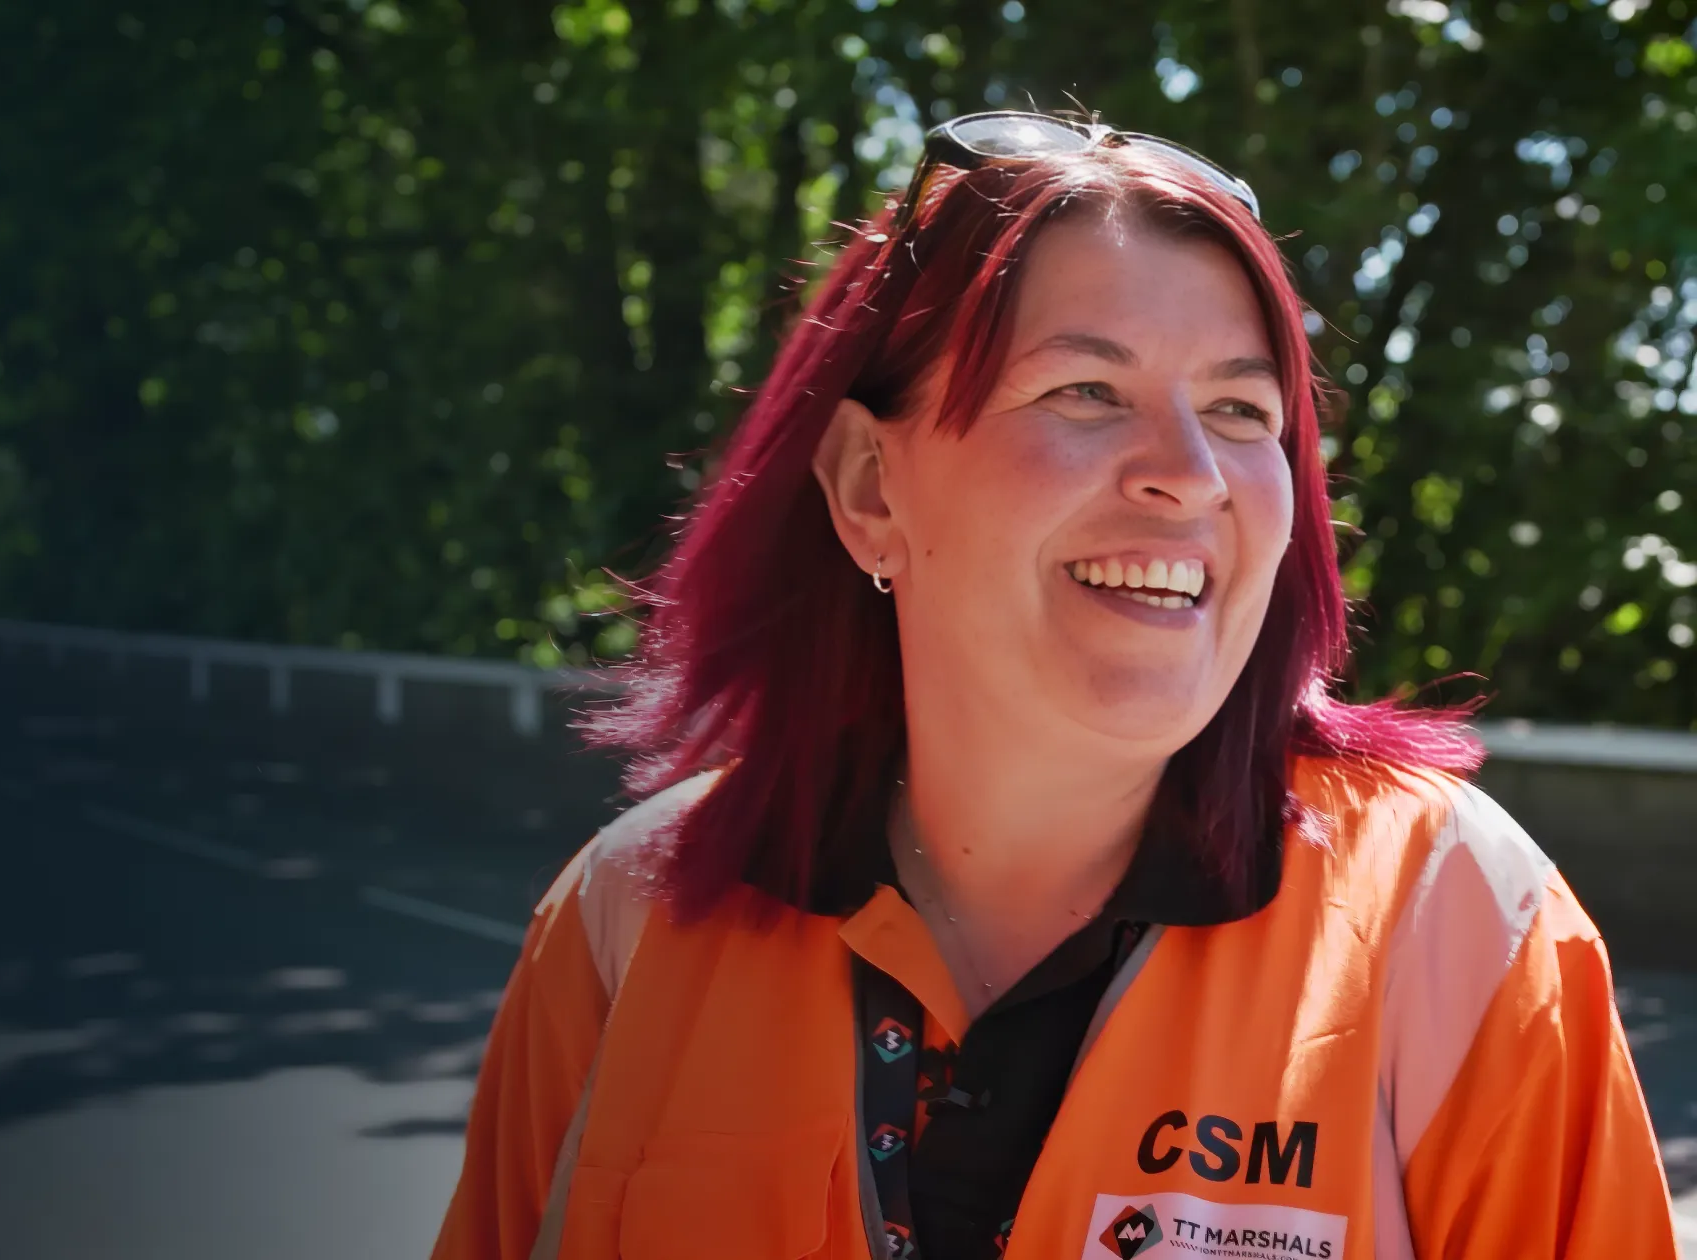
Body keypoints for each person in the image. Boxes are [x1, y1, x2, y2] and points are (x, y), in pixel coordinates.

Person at [429, 112, 1677, 1259]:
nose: (1189, 474)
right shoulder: (623, 923)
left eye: (1243, 411)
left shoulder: (1459, 923)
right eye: (1087, 390)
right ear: (870, 488)